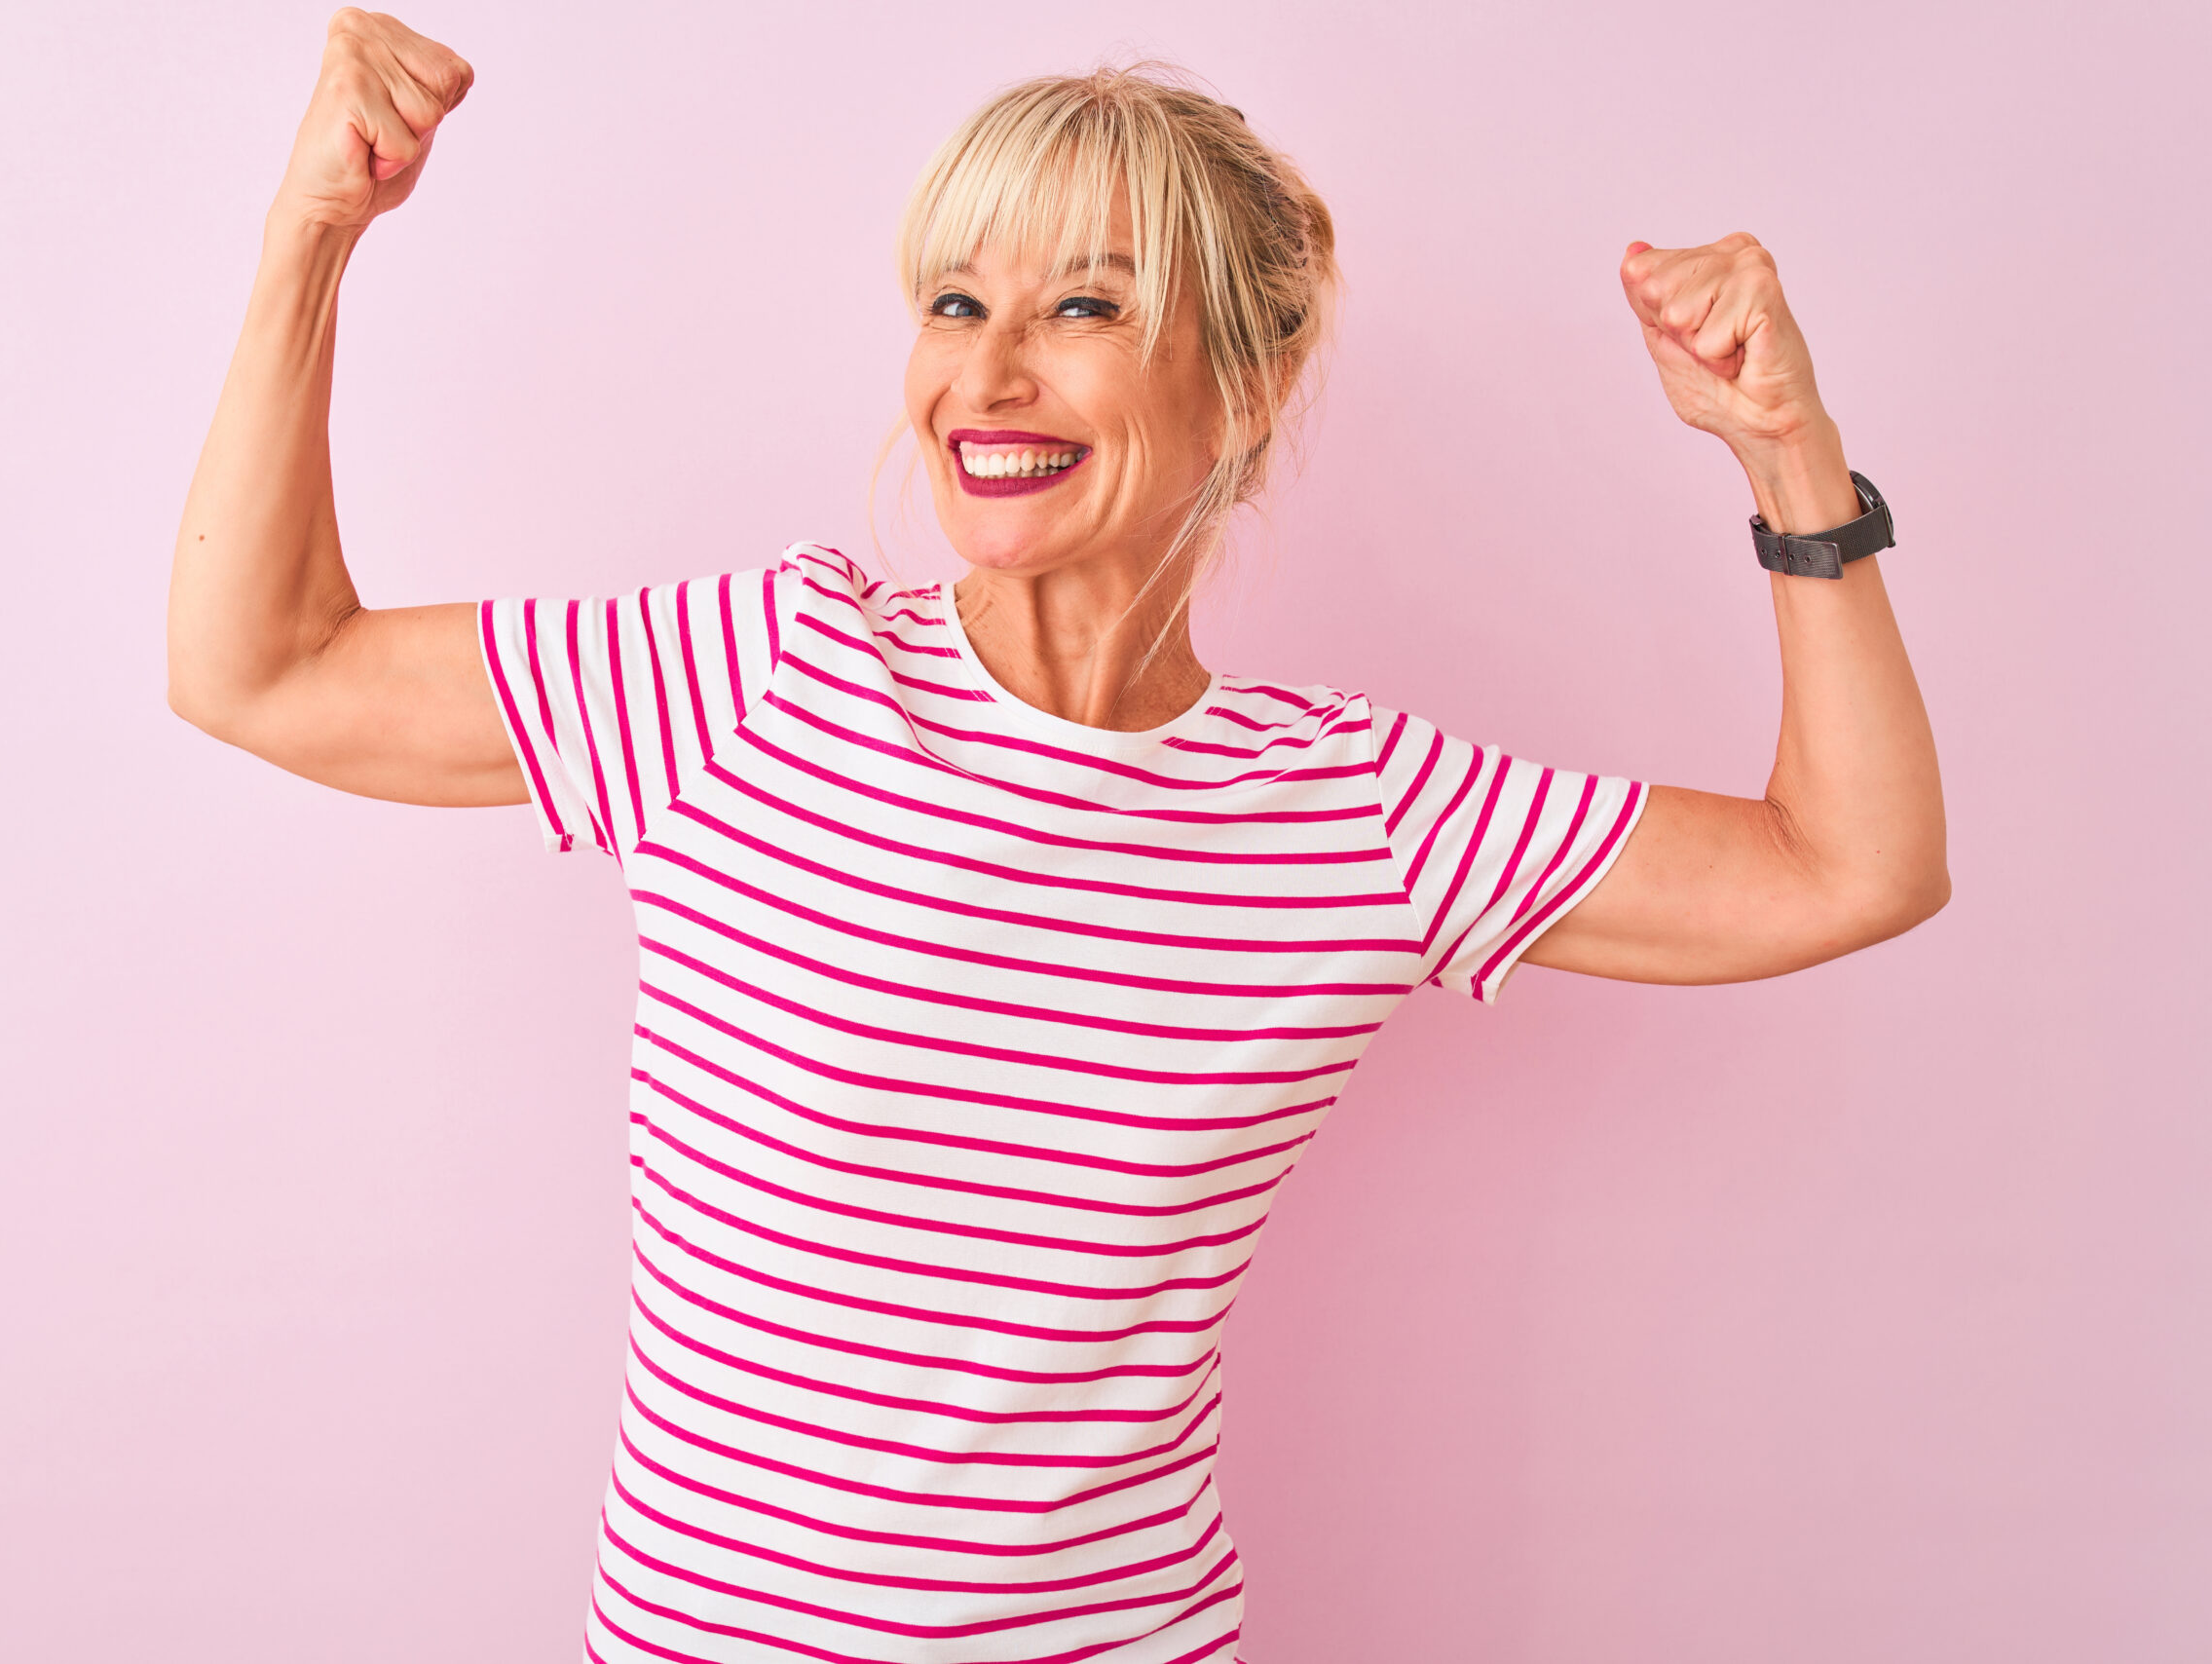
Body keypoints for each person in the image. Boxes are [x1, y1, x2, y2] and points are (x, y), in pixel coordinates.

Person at [167, 12, 1947, 1661]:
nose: (990, 372)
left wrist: (1790, 457)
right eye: (954, 303)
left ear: (1245, 387)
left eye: (1085, 308)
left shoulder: (1354, 814)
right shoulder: (760, 676)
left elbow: (1848, 866)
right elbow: (264, 666)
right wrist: (310, 236)